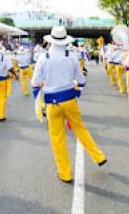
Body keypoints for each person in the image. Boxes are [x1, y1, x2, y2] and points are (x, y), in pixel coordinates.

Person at [31, 26, 106, 183]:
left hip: (52, 103)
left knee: (58, 139)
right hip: (70, 100)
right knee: (80, 129)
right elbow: (81, 80)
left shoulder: (43, 57)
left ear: (50, 41)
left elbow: (35, 83)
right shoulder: (72, 56)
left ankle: (65, 173)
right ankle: (98, 156)